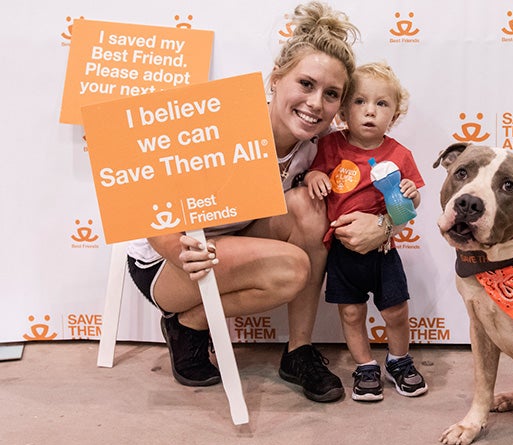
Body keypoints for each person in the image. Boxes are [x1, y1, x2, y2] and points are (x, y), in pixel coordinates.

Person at [126, 1, 359, 403]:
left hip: (230, 239)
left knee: (311, 205)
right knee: (291, 269)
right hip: (166, 261)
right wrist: (176, 250)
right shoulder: (223, 120)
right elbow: (146, 201)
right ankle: (189, 322)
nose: (316, 103)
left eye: (331, 94)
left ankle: (294, 351)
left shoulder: (313, 149)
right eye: (306, 84)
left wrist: (387, 225)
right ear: (275, 79)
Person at [305, 62, 428, 401]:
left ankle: (399, 360)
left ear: (395, 113)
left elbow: (411, 200)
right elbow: (315, 172)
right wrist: (315, 177)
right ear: (343, 110)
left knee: (396, 309)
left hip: (384, 250)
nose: (370, 111)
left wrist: (411, 193)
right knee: (351, 311)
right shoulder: (331, 146)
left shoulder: (399, 154)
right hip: (343, 251)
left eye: (382, 104)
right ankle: (364, 365)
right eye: (360, 102)